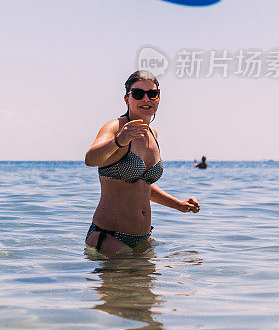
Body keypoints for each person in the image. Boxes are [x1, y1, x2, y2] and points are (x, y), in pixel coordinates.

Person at [84, 70, 200, 254]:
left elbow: (142, 185)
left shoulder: (153, 134)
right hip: (109, 237)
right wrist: (119, 141)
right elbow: (90, 159)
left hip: (143, 239)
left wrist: (178, 205)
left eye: (152, 94)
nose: (146, 99)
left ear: (158, 98)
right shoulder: (116, 128)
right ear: (127, 99)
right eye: (138, 94)